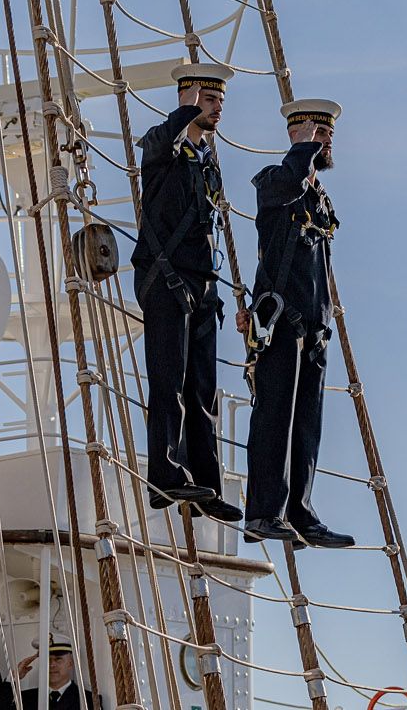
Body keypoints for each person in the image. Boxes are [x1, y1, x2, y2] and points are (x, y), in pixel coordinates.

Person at [237, 98, 354, 549]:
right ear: (298, 135)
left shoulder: (320, 200)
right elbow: (287, 181)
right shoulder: (273, 183)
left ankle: (300, 512)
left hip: (315, 325)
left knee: (307, 424)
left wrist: (323, 323)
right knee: (273, 418)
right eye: (320, 134)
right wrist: (302, 146)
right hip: (279, 322)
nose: (327, 143)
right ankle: (264, 512)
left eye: (327, 136)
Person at [129, 61, 242, 522]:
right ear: (189, 97)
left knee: (201, 391)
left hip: (202, 286)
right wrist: (188, 107)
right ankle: (165, 477)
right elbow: (164, 138)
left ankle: (206, 484)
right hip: (166, 281)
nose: (217, 110)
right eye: (210, 100)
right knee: (168, 384)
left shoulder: (207, 162)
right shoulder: (160, 147)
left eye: (219, 102)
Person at [14, 634, 96, 710]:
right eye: (47, 660)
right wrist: (13, 678)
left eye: (58, 659)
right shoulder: (24, 700)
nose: (52, 665)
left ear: (70, 663)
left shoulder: (89, 701)